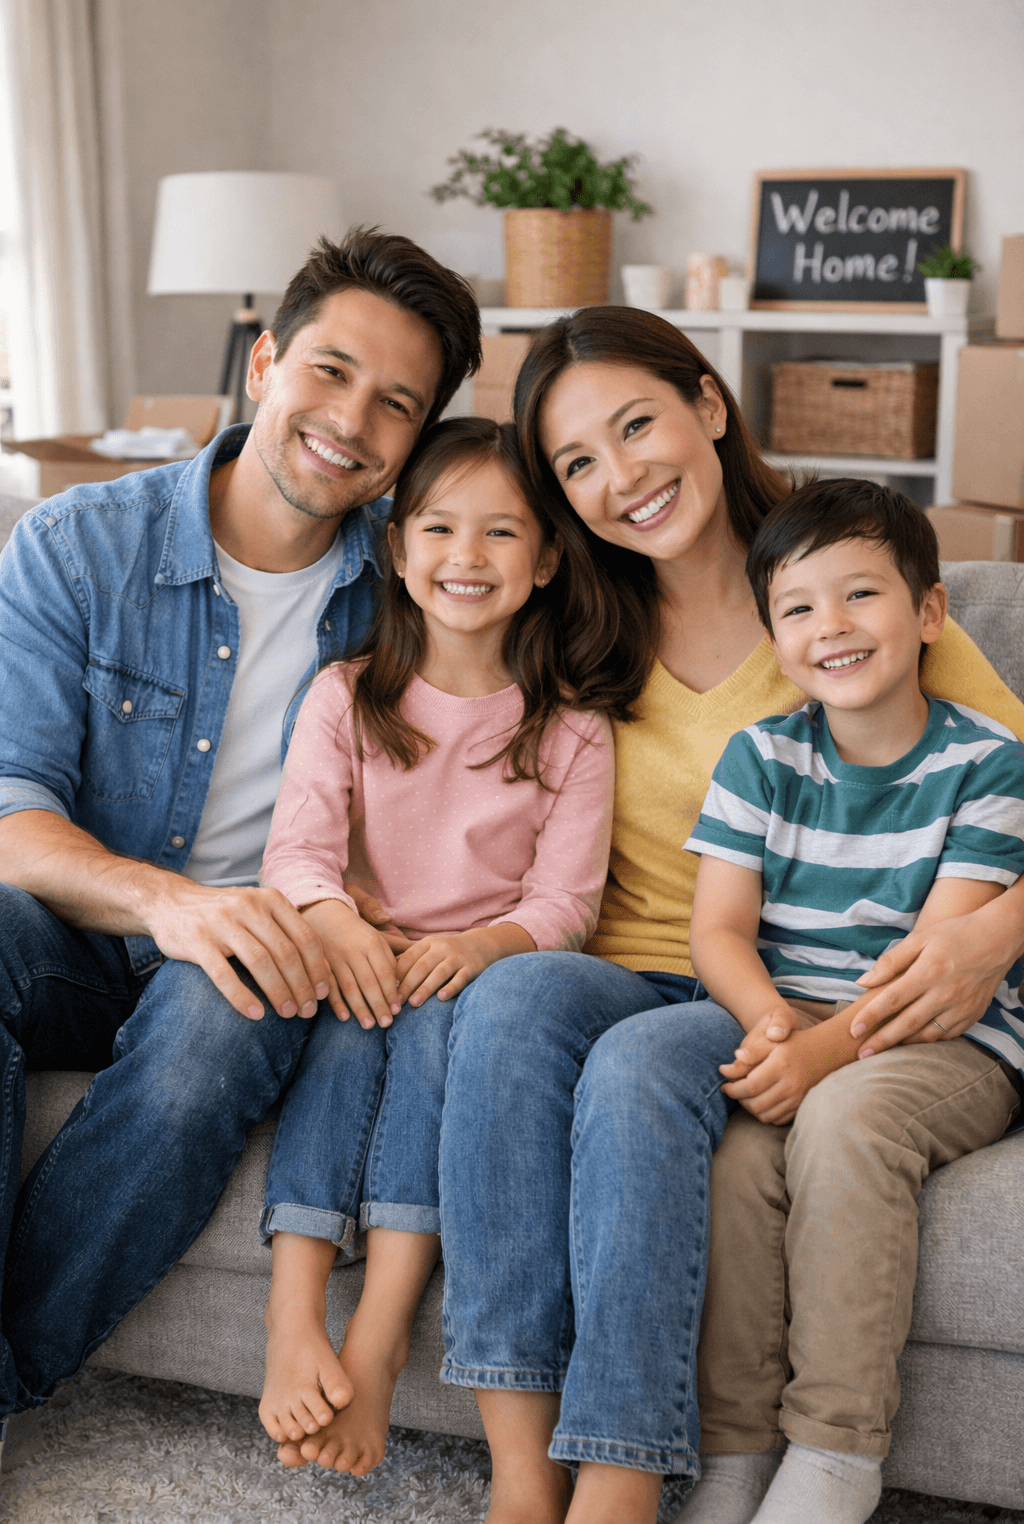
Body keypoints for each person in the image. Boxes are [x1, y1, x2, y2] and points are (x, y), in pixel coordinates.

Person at [435, 308, 1024, 1524]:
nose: (621, 477)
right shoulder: (563, 625)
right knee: (509, 1002)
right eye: (577, 465)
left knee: (646, 1062)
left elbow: (1000, 789)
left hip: (797, 986)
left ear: (707, 405)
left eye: (636, 425)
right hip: (638, 964)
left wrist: (989, 933)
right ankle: (517, 1475)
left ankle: (622, 1478)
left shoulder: (840, 595)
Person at [0, 228, 480, 1426]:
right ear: (264, 363)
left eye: (396, 405)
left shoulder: (424, 586)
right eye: (329, 370)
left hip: (266, 948)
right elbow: (9, 811)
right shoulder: (77, 546)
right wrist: (170, 899)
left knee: (224, 1012)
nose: (350, 420)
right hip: (78, 923)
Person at [254, 416, 615, 1478]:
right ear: (397, 549)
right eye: (441, 529)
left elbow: (565, 901)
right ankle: (293, 1312)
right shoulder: (344, 696)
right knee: (346, 1029)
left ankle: (378, 1334)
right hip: (357, 958)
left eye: (501, 533)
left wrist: (486, 944)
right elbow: (298, 853)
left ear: (545, 560)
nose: (467, 557)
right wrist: (340, 925)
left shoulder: (571, 728)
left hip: (469, 976)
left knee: (430, 1041)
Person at [676, 480, 1023, 1524]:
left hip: (943, 1039)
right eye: (798, 607)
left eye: (861, 595)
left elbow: (935, 964)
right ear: (773, 636)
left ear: (927, 614)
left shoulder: (987, 763)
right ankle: (736, 1449)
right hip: (802, 1026)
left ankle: (834, 1453)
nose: (830, 626)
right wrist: (770, 1024)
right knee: (736, 1159)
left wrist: (817, 1059)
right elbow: (717, 932)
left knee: (845, 1118)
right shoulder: (760, 759)